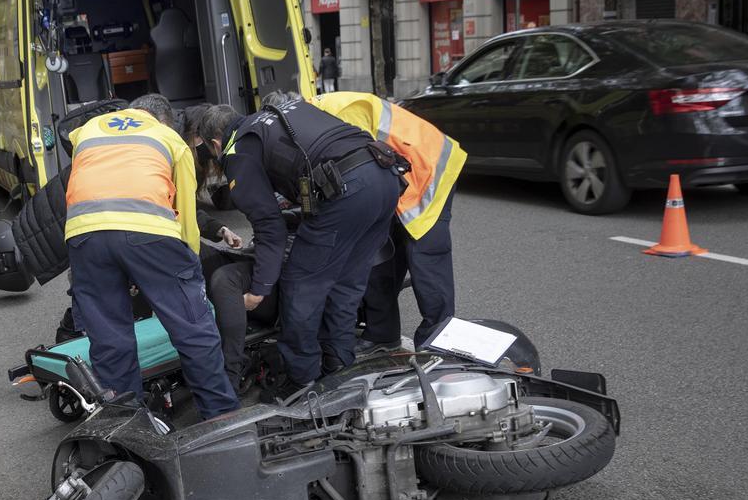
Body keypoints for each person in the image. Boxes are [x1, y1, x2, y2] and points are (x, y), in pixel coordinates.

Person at [196, 92, 402, 398]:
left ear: (215, 143)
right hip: (386, 177)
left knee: (300, 283)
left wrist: (259, 289)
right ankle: (338, 369)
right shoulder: (278, 114)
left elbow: (270, 227)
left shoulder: (237, 149)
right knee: (346, 284)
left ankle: (301, 381)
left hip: (347, 189)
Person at [63, 93, 241, 420]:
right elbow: (186, 216)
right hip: (150, 232)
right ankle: (221, 417)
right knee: (193, 329)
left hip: (83, 233)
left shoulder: (87, 130)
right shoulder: (168, 139)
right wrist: (190, 273)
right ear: (163, 120)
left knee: (109, 341)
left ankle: (126, 426)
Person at [310, 91, 466, 352]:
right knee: (377, 252)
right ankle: (383, 333)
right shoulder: (318, 113)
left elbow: (355, 171)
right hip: (397, 173)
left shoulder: (336, 113)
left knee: (425, 256)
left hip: (426, 167)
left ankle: (438, 344)